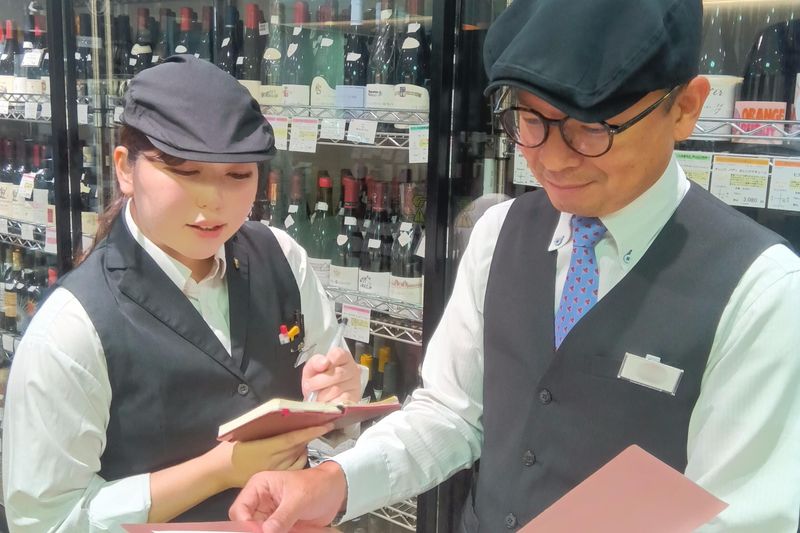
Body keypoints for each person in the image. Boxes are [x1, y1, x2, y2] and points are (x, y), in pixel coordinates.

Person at [229, 1, 800, 532]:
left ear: (685, 108)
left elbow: (741, 517)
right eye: (529, 120)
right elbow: (451, 413)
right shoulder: (498, 233)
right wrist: (335, 482)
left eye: (591, 127)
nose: (552, 158)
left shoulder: (760, 292)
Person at [1, 55, 361, 531]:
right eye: (186, 172)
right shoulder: (71, 330)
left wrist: (337, 405)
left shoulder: (282, 257)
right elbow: (45, 520)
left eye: (238, 175)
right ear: (125, 169)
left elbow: (334, 425)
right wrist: (218, 471)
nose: (213, 200)